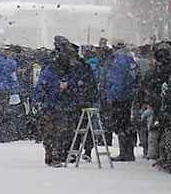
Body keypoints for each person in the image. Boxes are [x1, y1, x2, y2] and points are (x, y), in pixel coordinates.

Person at [33, 36, 96, 167]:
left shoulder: (56, 68)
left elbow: (43, 85)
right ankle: (53, 154)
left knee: (58, 132)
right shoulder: (59, 69)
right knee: (55, 132)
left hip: (59, 105)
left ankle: (54, 155)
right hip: (58, 104)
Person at [103, 41, 138, 161]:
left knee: (120, 123)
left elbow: (117, 80)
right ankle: (129, 151)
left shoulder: (119, 60)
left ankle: (124, 152)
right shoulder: (131, 60)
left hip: (120, 97)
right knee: (127, 123)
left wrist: (113, 95)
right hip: (129, 96)